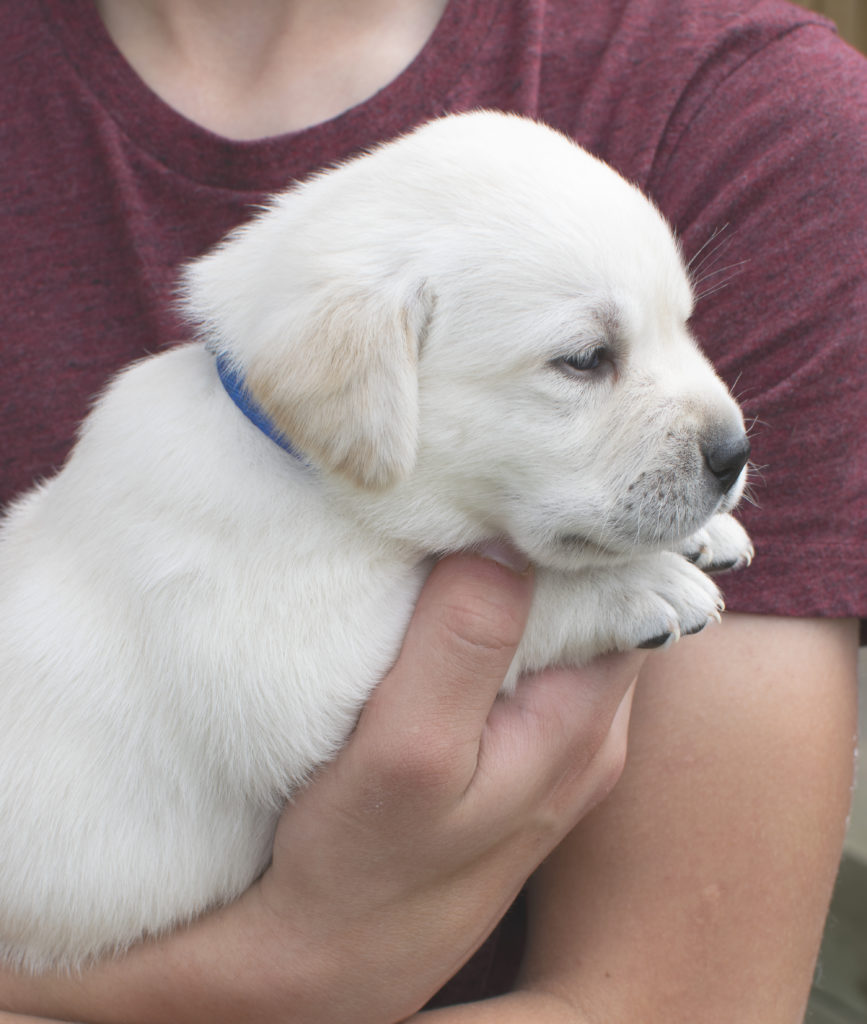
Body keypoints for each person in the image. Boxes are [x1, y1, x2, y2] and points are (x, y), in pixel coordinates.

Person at [0, 0, 863, 1020]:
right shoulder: (202, 487)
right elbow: (306, 708)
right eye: (589, 360)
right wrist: (582, 602)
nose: (720, 424)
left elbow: (688, 996)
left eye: (682, 327)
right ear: (363, 379)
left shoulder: (748, 111)